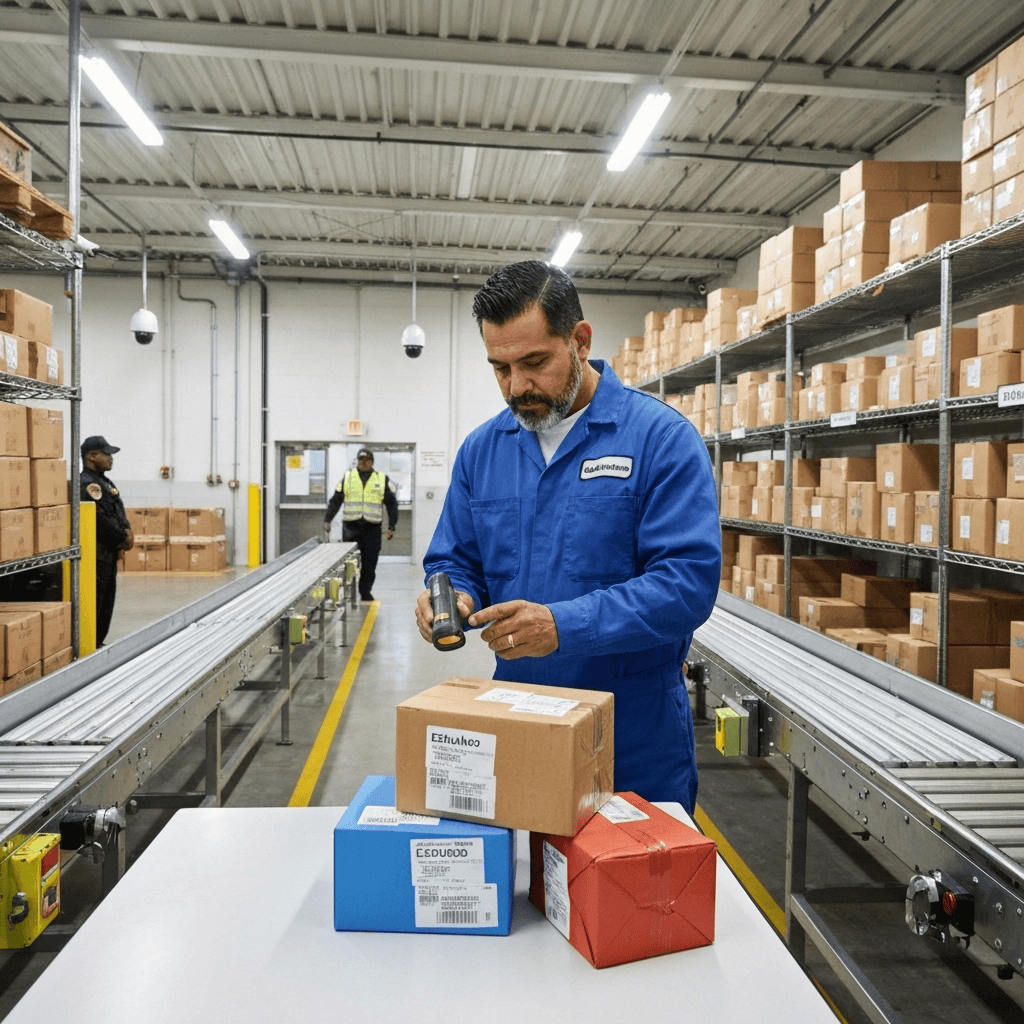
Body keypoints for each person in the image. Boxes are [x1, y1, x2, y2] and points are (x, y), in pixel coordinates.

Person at [415, 261, 721, 815]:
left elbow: (686, 586)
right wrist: (454, 595)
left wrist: (563, 625)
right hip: (517, 714)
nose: (517, 386)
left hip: (630, 731)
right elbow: (454, 560)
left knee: (632, 893)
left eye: (535, 363)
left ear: (580, 341)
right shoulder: (483, 451)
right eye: (500, 368)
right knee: (524, 890)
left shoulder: (660, 440)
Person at [324, 447, 398, 602]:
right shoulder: (348, 477)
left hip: (372, 529)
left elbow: (392, 504)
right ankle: (346, 592)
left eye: (367, 460)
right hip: (351, 528)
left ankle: (365, 592)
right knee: (348, 563)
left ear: (371, 462)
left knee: (369, 564)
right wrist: (327, 519)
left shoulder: (381, 479)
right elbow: (336, 500)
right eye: (361, 460)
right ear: (357, 461)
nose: (364, 463)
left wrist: (391, 526)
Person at [80, 435, 133, 646]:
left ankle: (98, 644)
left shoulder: (103, 481)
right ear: (92, 456)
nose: (111, 458)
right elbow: (98, 520)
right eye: (107, 454)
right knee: (97, 601)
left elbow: (116, 511)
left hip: (108, 553)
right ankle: (90, 646)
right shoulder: (87, 483)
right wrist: (122, 538)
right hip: (96, 554)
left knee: (107, 601)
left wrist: (126, 530)